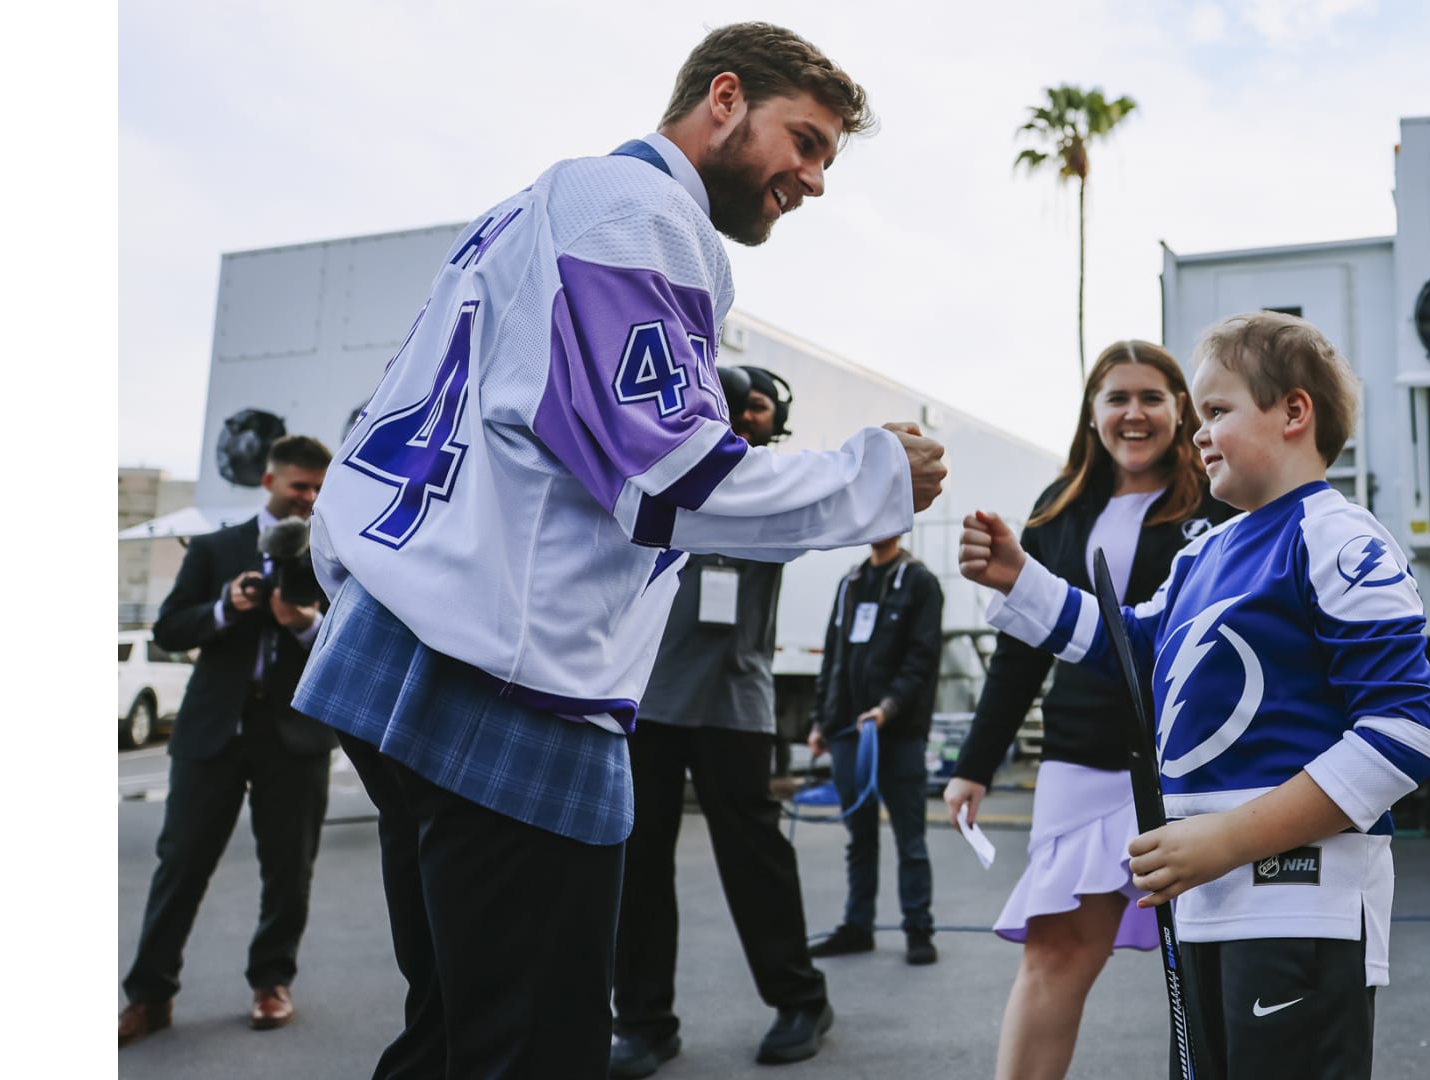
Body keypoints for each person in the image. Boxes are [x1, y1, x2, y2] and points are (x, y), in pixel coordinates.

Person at [291, 22, 947, 1078]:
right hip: (500, 674)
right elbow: (666, 476)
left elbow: (386, 426)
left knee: (454, 1034)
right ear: (723, 100)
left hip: (410, 636)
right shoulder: (633, 207)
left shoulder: (526, 213)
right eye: (807, 142)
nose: (816, 180)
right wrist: (876, 476)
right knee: (531, 1051)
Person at [958, 311, 1430, 1080]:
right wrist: (1022, 579)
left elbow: (1402, 738)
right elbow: (1127, 649)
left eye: (1216, 411)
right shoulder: (1206, 552)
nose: (1197, 435)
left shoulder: (1342, 539)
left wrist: (1226, 840)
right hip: (1206, 902)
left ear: (1293, 411)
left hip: (1299, 903)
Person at [940, 340, 1234, 1080]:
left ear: (1181, 410)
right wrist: (974, 766)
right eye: (1116, 398)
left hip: (1193, 771)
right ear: (1093, 412)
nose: (1133, 413)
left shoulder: (1223, 504)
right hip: (1080, 765)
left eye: (1152, 397)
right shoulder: (1058, 507)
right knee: (1054, 955)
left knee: (1215, 969)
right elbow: (1020, 651)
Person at [610, 364, 833, 1077]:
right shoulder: (667, 469)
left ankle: (802, 1000)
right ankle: (645, 1021)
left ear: (776, 420)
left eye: (758, 405)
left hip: (733, 703)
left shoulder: (765, 482)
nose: (742, 412)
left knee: (753, 859)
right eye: (732, 401)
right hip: (649, 698)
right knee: (638, 864)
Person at [119, 435, 336, 1046]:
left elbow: (351, 643)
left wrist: (307, 625)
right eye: (300, 486)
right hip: (211, 732)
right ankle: (149, 996)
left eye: (319, 489)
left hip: (294, 737)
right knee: (179, 865)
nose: (310, 498)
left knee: (289, 872)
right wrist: (224, 606)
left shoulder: (331, 551)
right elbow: (168, 625)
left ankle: (272, 983)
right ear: (269, 482)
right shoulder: (216, 549)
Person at [805, 534, 945, 965]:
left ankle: (918, 928)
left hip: (897, 733)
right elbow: (833, 656)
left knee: (911, 839)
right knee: (859, 838)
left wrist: (887, 709)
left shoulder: (920, 583)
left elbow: (922, 660)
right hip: (848, 730)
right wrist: (821, 721)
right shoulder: (850, 582)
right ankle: (857, 926)